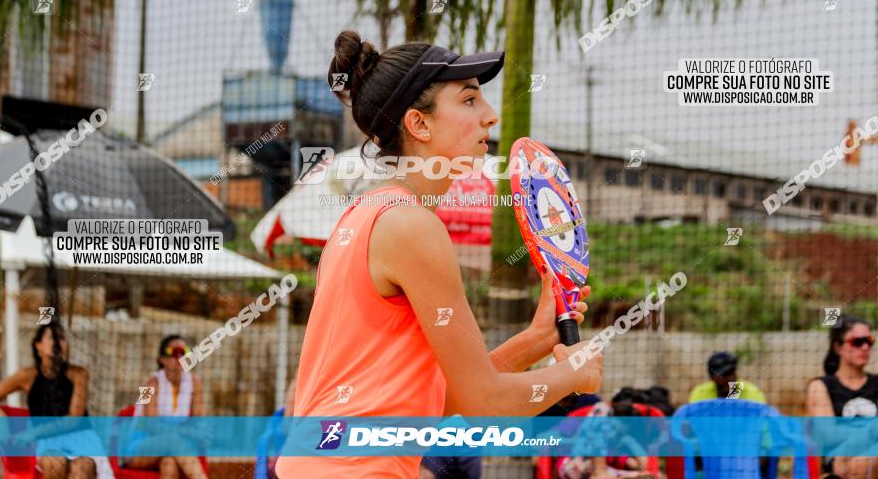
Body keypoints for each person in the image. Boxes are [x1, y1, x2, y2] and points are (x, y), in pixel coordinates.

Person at [276, 30, 603, 478]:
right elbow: (485, 406)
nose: (490, 117)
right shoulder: (412, 226)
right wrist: (575, 376)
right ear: (419, 124)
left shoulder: (364, 214)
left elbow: (443, 401)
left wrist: (536, 339)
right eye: (469, 100)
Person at [0, 322, 109, 478]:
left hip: (81, 437)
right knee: (55, 462)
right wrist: (4, 428)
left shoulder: (78, 374)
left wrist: (31, 433)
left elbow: (74, 419)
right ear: (38, 345)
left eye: (61, 338)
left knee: (83, 467)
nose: (57, 343)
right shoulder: (27, 375)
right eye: (51, 338)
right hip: (47, 441)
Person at [120, 335, 207, 479]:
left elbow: (199, 423)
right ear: (161, 359)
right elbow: (151, 425)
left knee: (169, 464)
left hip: (173, 448)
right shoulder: (150, 383)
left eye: (183, 352)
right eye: (174, 353)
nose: (179, 357)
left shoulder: (195, 382)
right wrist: (186, 431)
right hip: (140, 448)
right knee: (171, 441)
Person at [807, 315, 877, 479]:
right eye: (857, 342)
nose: (865, 347)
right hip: (839, 461)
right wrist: (872, 430)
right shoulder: (821, 386)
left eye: (870, 341)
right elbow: (828, 435)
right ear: (837, 347)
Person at [688, 351, 766, 403]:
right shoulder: (700, 393)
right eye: (724, 374)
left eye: (731, 372)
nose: (730, 378)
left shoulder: (752, 392)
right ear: (712, 377)